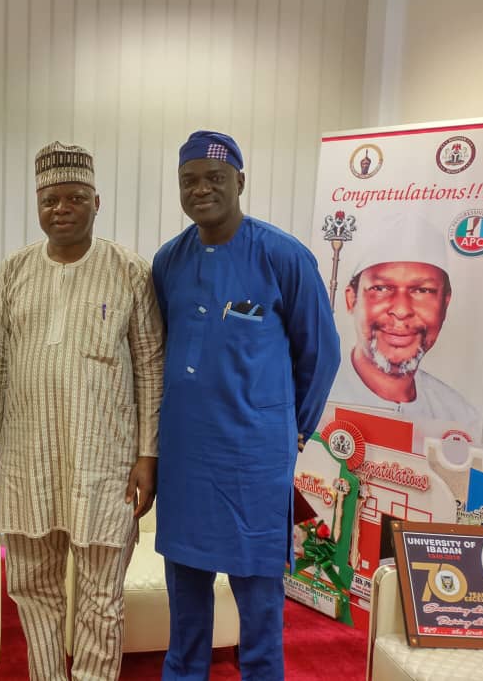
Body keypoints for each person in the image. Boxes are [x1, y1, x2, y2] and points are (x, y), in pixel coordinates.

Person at [153, 131, 340, 680]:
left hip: (253, 457)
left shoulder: (283, 255)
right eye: (189, 181)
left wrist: (294, 428)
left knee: (259, 602)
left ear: (240, 180)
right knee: (185, 597)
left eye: (214, 178)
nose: (201, 189)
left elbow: (321, 353)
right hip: (185, 455)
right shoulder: (169, 261)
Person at [0, 142, 163, 681]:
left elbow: (150, 367)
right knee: (32, 588)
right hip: (28, 460)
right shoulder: (14, 270)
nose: (60, 209)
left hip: (105, 462)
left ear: (97, 201)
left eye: (74, 198)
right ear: (37, 205)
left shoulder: (129, 270)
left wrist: (148, 455)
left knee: (101, 597)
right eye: (49, 200)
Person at [329, 219, 481, 429]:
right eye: (381, 288)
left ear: (445, 304)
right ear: (351, 299)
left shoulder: (460, 417)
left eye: (422, 291)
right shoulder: (315, 394)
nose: (401, 311)